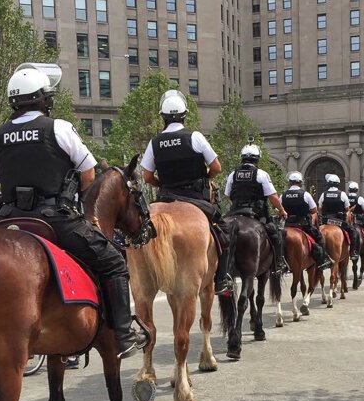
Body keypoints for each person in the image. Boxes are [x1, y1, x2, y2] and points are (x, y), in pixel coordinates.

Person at [0, 62, 149, 359]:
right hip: (53, 220)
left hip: (8, 222)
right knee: (113, 263)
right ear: (43, 99)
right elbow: (89, 172)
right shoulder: (58, 128)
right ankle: (123, 334)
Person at [141, 89, 233, 295]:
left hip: (165, 197)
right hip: (195, 198)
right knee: (224, 231)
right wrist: (203, 180)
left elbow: (146, 176)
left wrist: (162, 184)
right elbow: (216, 167)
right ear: (185, 114)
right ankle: (221, 280)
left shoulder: (154, 143)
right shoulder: (195, 137)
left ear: (162, 117)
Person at [224, 143, 289, 276]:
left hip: (235, 211)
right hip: (256, 213)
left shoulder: (233, 174)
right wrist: (282, 210)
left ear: (242, 158)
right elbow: (273, 197)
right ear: (257, 159)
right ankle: (279, 264)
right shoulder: (261, 174)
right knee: (276, 234)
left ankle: (222, 271)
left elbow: (228, 194)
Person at [281, 171, 333, 270]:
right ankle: (322, 260)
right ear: (300, 183)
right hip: (303, 224)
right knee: (319, 238)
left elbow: (278, 210)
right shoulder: (305, 194)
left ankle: (279, 263)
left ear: (289, 182)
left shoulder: (283, 195)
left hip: (287, 225)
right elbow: (314, 210)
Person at [318, 174, 357, 258]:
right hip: (339, 221)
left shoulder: (323, 194)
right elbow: (347, 209)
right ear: (338, 184)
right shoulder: (342, 194)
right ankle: (352, 252)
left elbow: (319, 208)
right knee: (353, 232)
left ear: (328, 183)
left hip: (326, 220)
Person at [346, 182, 364, 253]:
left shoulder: (345, 197)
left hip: (347, 218)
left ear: (349, 189)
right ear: (357, 190)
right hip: (358, 218)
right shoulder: (359, 198)